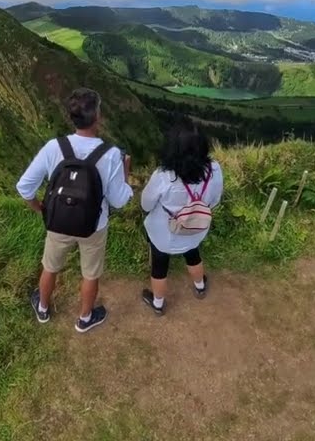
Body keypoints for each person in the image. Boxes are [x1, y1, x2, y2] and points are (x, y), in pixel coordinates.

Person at [17, 88, 133, 333]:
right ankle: (85, 318)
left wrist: (41, 208)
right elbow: (119, 200)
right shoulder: (111, 154)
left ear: (72, 118)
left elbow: (24, 186)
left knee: (50, 266)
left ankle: (43, 309)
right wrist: (125, 173)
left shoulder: (53, 147)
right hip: (93, 225)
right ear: (97, 117)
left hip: (58, 222)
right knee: (90, 273)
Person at [139, 119, 223, 315]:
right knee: (193, 253)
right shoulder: (214, 169)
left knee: (160, 264)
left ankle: (158, 304)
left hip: (164, 233)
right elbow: (215, 200)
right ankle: (200, 285)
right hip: (196, 229)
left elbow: (146, 204)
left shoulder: (164, 176)